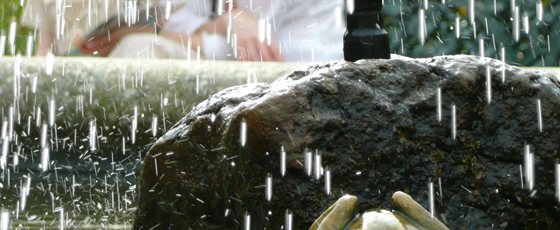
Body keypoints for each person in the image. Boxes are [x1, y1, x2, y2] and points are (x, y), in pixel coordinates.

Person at [22, 0, 343, 62]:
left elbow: (274, 54)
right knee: (138, 48)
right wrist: (224, 24)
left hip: (298, 89)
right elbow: (183, 19)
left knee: (137, 48)